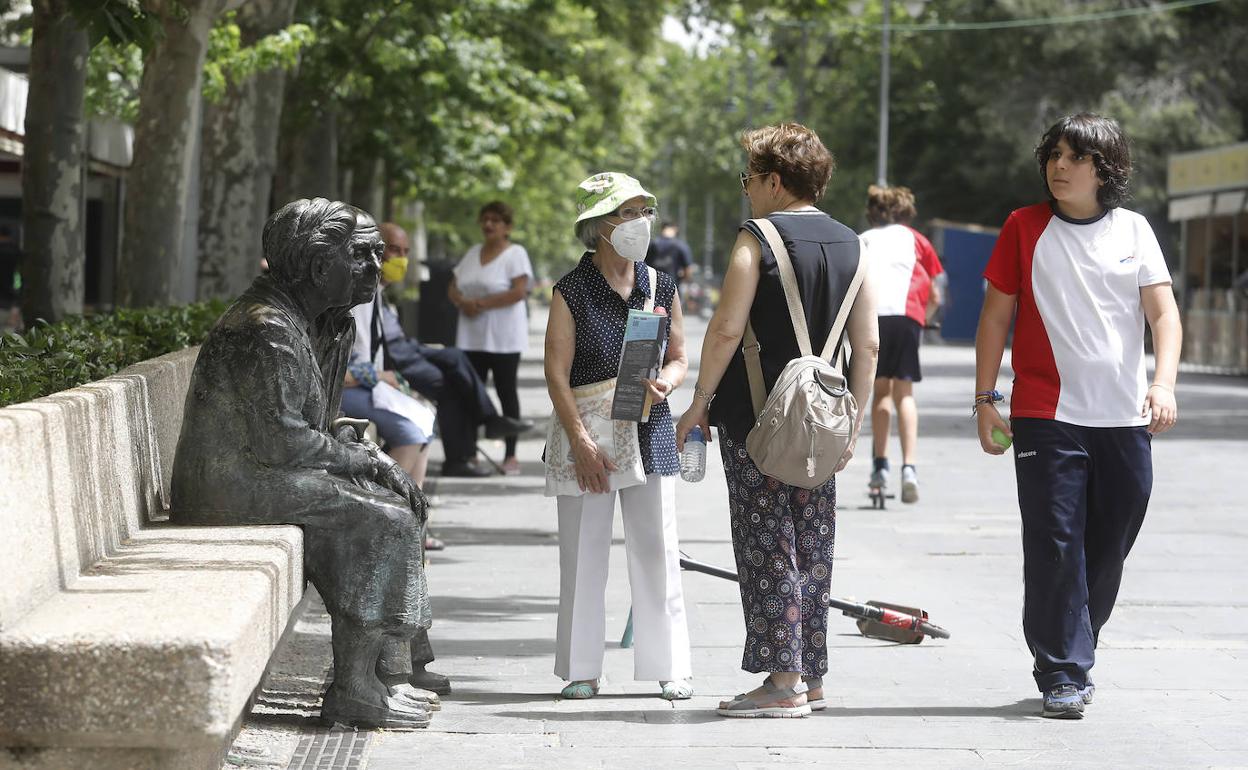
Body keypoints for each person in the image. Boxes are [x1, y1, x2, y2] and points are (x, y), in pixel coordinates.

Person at [172, 200, 433, 728]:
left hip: (266, 468)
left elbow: (321, 421)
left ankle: (391, 669)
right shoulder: (264, 327)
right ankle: (357, 688)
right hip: (228, 483)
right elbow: (284, 441)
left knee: (396, 502)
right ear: (319, 266)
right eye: (362, 257)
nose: (377, 270)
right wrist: (365, 461)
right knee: (379, 518)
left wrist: (369, 454)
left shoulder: (327, 324)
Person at [974, 113, 1181, 719]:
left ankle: (1071, 638)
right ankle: (1064, 668)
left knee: (1110, 540)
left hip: (1123, 417)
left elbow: (1163, 317)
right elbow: (994, 317)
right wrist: (986, 400)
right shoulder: (1023, 226)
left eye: (1075, 157)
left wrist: (1163, 384)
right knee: (1055, 543)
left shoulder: (1135, 231)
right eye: (1054, 155)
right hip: (1045, 413)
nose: (1059, 167)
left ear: (1104, 169)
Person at [675, 123, 879, 718]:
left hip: (756, 418)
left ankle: (782, 681)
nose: (746, 192)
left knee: (767, 545)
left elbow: (727, 329)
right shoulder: (855, 246)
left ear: (772, 180)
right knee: (812, 544)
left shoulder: (755, 240)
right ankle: (811, 675)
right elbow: (866, 347)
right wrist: (855, 421)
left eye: (748, 179)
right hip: (825, 417)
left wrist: (698, 402)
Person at [545, 172, 694, 701]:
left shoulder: (661, 284)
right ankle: (582, 670)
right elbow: (555, 373)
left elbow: (679, 356)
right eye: (626, 213)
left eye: (642, 212)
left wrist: (668, 381)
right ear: (599, 226)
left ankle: (670, 667)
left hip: (649, 428)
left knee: (658, 549)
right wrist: (582, 443)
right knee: (583, 556)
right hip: (588, 432)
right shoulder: (571, 290)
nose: (639, 223)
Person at [377, 222, 533, 478]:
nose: (402, 259)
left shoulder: (380, 289)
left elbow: (519, 291)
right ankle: (460, 456)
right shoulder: (361, 290)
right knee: (452, 385)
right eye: (394, 250)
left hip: (408, 346)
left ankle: (491, 421)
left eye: (406, 252)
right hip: (394, 356)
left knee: (455, 357)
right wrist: (466, 302)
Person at [859, 185, 944, 503]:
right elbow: (934, 295)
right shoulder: (917, 240)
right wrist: (924, 318)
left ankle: (880, 466)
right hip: (908, 317)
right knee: (904, 393)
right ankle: (909, 468)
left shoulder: (864, 239)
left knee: (880, 392)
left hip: (874, 319)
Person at [448, 201, 533, 475]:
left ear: (507, 226)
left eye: (496, 220)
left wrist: (481, 304)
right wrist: (462, 302)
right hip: (471, 336)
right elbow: (453, 286)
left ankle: (511, 454)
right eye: (485, 219)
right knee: (471, 392)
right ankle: (470, 452)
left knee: (506, 390)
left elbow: (519, 292)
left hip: (503, 337)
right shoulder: (473, 253)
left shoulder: (515, 254)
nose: (489, 225)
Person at [645, 220, 694, 286]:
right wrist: (680, 279)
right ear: (675, 229)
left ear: (662, 228)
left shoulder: (651, 244)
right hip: (672, 288)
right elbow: (688, 272)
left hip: (651, 287)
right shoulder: (681, 246)